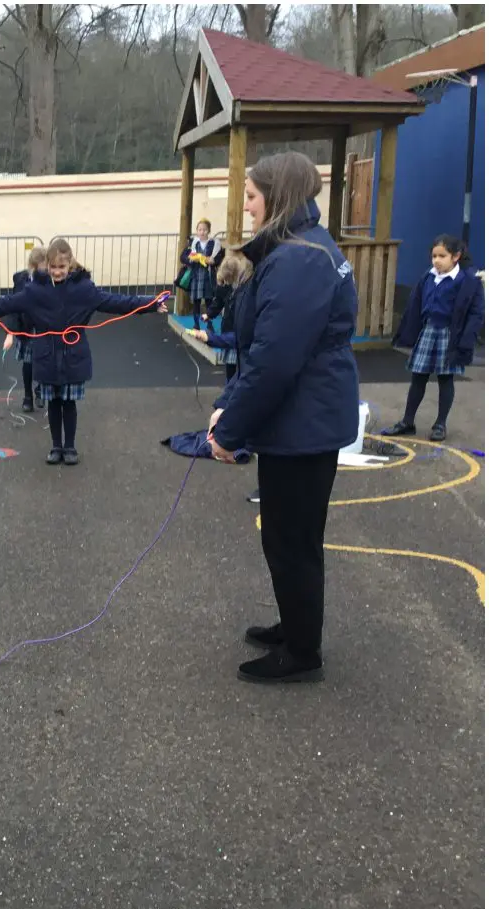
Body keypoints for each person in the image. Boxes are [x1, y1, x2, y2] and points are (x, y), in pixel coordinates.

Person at [207, 151, 359, 684]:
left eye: (251, 196)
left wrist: (229, 431)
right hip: (301, 419)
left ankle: (301, 652)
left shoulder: (299, 260)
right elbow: (265, 350)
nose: (246, 207)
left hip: (304, 423)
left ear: (277, 197)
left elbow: (275, 361)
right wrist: (231, 405)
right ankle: (296, 627)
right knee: (289, 536)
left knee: (291, 540)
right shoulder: (301, 247)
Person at [0, 237, 169, 466]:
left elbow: (117, 301)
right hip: (46, 354)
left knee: (69, 403)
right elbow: (4, 304)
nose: (57, 271)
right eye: (53, 266)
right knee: (53, 402)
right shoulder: (35, 291)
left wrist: (151, 303)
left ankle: (70, 447)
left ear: (70, 264)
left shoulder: (84, 289)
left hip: (73, 354)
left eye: (62, 266)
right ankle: (55, 446)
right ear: (47, 265)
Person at [382, 234, 484, 442]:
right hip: (428, 332)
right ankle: (407, 422)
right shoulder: (428, 277)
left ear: (456, 256)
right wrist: (408, 332)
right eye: (434, 256)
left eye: (442, 256)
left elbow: (476, 314)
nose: (436, 260)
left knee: (445, 379)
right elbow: (415, 305)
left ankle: (440, 424)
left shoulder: (467, 281)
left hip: (450, 336)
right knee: (418, 377)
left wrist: (466, 341)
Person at [189, 250, 252, 382]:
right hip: (229, 327)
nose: (225, 282)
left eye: (227, 280)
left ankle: (236, 385)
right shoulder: (224, 287)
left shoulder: (244, 289)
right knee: (230, 365)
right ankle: (230, 384)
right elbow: (218, 302)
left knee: (241, 364)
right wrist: (209, 314)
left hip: (238, 330)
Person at [2, 245, 48, 412]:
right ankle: (28, 396)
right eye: (41, 269)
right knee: (28, 363)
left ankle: (40, 389)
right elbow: (13, 307)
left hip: (45, 327)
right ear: (32, 267)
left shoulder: (51, 280)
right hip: (27, 328)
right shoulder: (22, 282)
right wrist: (10, 334)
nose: (44, 273)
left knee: (45, 360)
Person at [181, 219, 223, 331]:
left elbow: (219, 258)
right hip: (196, 276)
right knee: (196, 303)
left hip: (208, 277)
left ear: (209, 230)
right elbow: (183, 257)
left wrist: (212, 261)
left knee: (209, 302)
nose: (202, 232)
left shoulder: (214, 243)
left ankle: (209, 325)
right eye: (200, 229)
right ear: (197, 231)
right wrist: (191, 259)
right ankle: (196, 325)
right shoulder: (193, 243)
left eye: (204, 229)